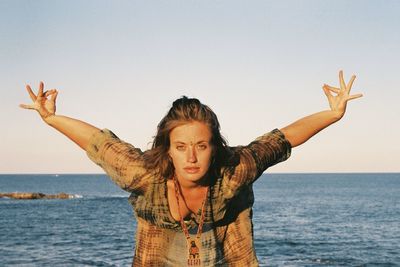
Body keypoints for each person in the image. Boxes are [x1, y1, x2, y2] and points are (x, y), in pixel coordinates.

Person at [20, 71, 362, 266]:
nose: (192, 157)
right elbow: (98, 142)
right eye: (181, 147)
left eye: (201, 145)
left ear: (215, 147)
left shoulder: (234, 170)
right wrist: (50, 118)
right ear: (167, 150)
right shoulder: (142, 173)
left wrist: (332, 114)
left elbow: (282, 139)